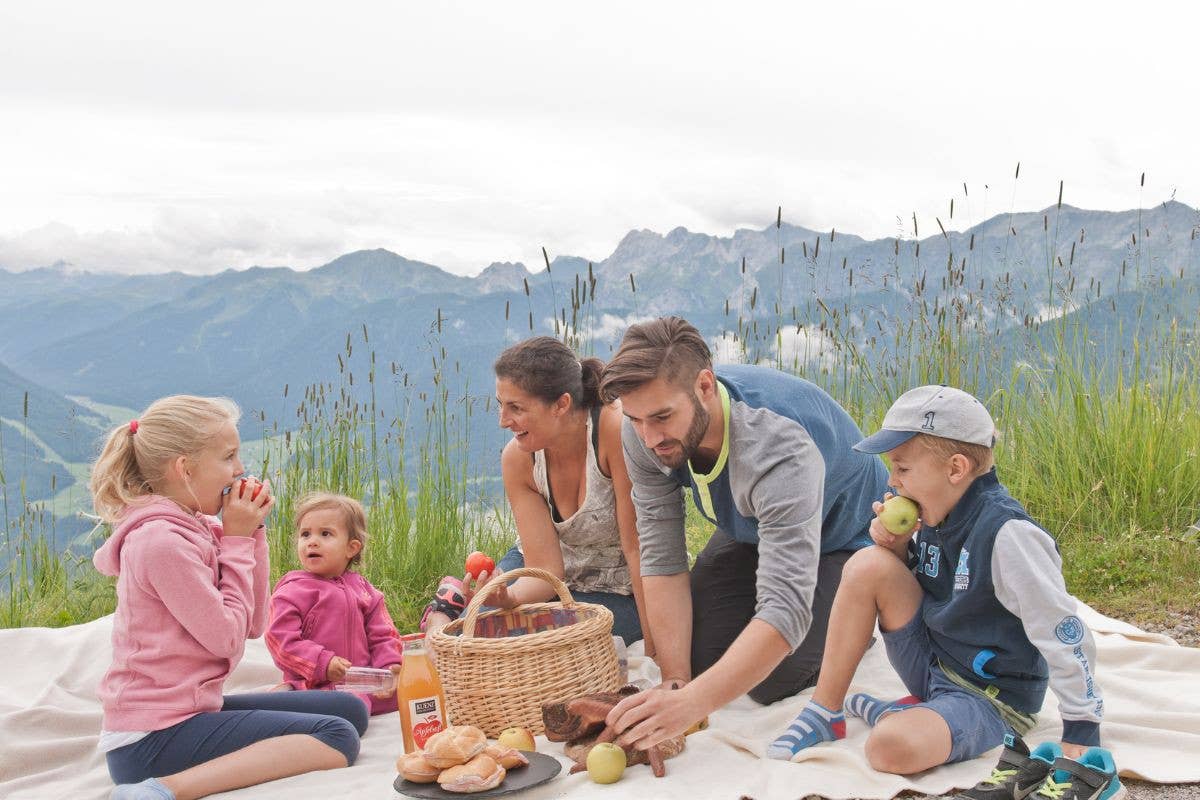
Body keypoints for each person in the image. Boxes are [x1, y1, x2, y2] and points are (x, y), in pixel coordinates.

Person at [766, 385, 1105, 780]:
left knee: (888, 747)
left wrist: (1083, 725)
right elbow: (926, 585)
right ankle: (826, 710)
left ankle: (910, 716)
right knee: (866, 564)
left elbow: (1061, 628)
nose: (892, 482)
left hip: (987, 697)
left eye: (903, 468)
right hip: (934, 663)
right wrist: (896, 549)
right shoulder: (935, 513)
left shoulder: (1009, 535)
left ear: (956, 469)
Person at [599, 316, 889, 750]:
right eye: (637, 419)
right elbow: (661, 554)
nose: (649, 436)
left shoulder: (778, 447)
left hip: (844, 537)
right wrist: (676, 685)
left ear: (704, 386)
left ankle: (858, 620)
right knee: (696, 659)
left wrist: (693, 706)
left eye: (662, 417)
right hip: (751, 528)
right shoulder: (642, 430)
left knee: (773, 678)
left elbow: (785, 610)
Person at [90, 396, 367, 800]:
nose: (239, 470)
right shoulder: (159, 543)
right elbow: (226, 639)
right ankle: (162, 790)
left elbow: (253, 623)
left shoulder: (194, 526)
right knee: (337, 736)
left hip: (190, 711)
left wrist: (252, 535)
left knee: (352, 709)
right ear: (184, 469)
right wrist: (235, 539)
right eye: (228, 457)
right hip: (148, 740)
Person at [421, 336, 653, 652]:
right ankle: (445, 613)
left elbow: (637, 548)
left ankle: (448, 610)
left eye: (515, 408)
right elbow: (545, 570)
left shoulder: (614, 431)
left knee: (543, 645)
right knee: (476, 639)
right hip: (542, 570)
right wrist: (510, 598)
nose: (503, 421)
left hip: (616, 587)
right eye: (501, 405)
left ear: (562, 404)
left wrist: (655, 650)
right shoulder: (518, 458)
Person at [265, 492, 403, 715]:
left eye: (325, 534)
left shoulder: (365, 591)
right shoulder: (292, 590)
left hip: (363, 681)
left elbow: (384, 634)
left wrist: (389, 666)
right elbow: (279, 640)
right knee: (351, 706)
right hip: (313, 683)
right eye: (305, 534)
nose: (312, 541)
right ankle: (289, 696)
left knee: (414, 691)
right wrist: (322, 663)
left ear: (352, 548)